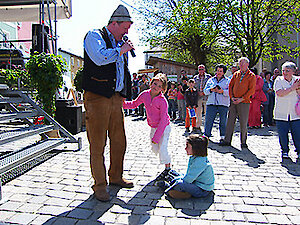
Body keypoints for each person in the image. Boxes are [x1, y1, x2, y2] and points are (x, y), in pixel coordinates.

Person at [82, 5, 135, 201]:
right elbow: (100, 58)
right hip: (96, 97)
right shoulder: (94, 35)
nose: (127, 31)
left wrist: (123, 92)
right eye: (125, 27)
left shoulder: (121, 43)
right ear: (114, 23)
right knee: (98, 144)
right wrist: (121, 50)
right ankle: (100, 185)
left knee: (120, 141)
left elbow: (123, 70)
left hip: (115, 98)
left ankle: (115, 176)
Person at [123, 73, 172, 175]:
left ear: (162, 89)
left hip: (164, 127)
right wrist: (121, 104)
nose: (156, 87)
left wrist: (157, 137)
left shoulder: (163, 101)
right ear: (151, 83)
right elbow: (134, 104)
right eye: (155, 84)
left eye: (159, 86)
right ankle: (165, 161)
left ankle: (168, 169)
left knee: (163, 148)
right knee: (155, 148)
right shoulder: (145, 94)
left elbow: (163, 120)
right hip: (153, 126)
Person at [219, 57, 256, 148]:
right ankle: (227, 140)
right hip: (234, 101)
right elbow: (231, 86)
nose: (241, 65)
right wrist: (232, 97)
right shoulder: (236, 74)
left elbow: (251, 90)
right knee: (230, 121)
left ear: (247, 64)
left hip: (244, 102)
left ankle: (243, 142)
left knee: (243, 122)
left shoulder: (251, 76)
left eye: (243, 63)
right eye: (240, 64)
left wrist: (242, 98)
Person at [165, 134, 215, 199]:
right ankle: (175, 185)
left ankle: (169, 187)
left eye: (187, 146)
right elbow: (189, 175)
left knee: (179, 184)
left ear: (195, 148)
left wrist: (177, 179)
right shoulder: (196, 157)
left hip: (202, 190)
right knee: (173, 173)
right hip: (195, 182)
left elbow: (188, 179)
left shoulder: (199, 162)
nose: (185, 148)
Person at [273, 61, 300, 160]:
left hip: (295, 113)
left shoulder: (297, 80)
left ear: (293, 71)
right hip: (281, 113)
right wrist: (292, 88)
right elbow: (280, 93)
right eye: (283, 70)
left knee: (297, 134)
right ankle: (284, 151)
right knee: (283, 134)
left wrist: (296, 89)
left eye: (287, 71)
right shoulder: (278, 80)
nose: (285, 73)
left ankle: (299, 151)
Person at [203, 64, 230, 141]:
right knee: (208, 120)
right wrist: (211, 90)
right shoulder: (211, 80)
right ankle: (206, 135)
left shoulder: (227, 81)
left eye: (220, 71)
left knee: (223, 121)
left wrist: (222, 91)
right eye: (218, 70)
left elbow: (231, 92)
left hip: (223, 104)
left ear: (224, 72)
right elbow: (205, 91)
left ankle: (222, 137)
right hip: (211, 103)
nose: (219, 72)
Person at [194, 65, 211, 133]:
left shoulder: (209, 77)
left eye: (202, 69)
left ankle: (207, 127)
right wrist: (198, 92)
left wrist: (204, 92)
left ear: (204, 70)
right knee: (198, 113)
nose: (201, 71)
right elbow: (193, 86)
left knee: (207, 113)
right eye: (199, 69)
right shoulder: (195, 77)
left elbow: (210, 86)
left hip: (207, 97)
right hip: (198, 97)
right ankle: (198, 126)